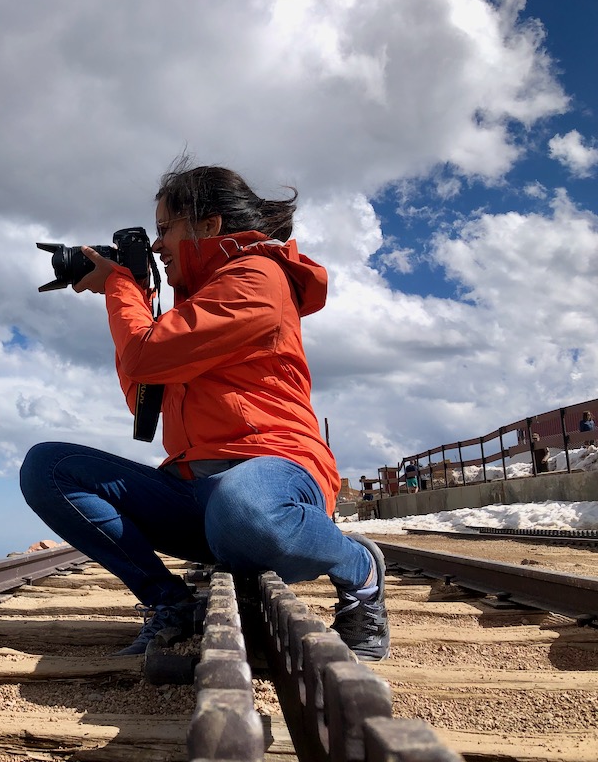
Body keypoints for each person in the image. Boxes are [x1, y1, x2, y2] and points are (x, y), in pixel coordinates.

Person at [20, 161, 389, 662]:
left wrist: (121, 289)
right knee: (49, 468)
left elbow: (146, 355)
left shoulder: (257, 277)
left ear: (208, 226)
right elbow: (144, 400)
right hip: (200, 494)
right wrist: (136, 296)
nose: (156, 246)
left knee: (243, 506)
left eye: (165, 229)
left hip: (275, 477)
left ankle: (359, 569)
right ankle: (169, 604)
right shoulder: (188, 309)